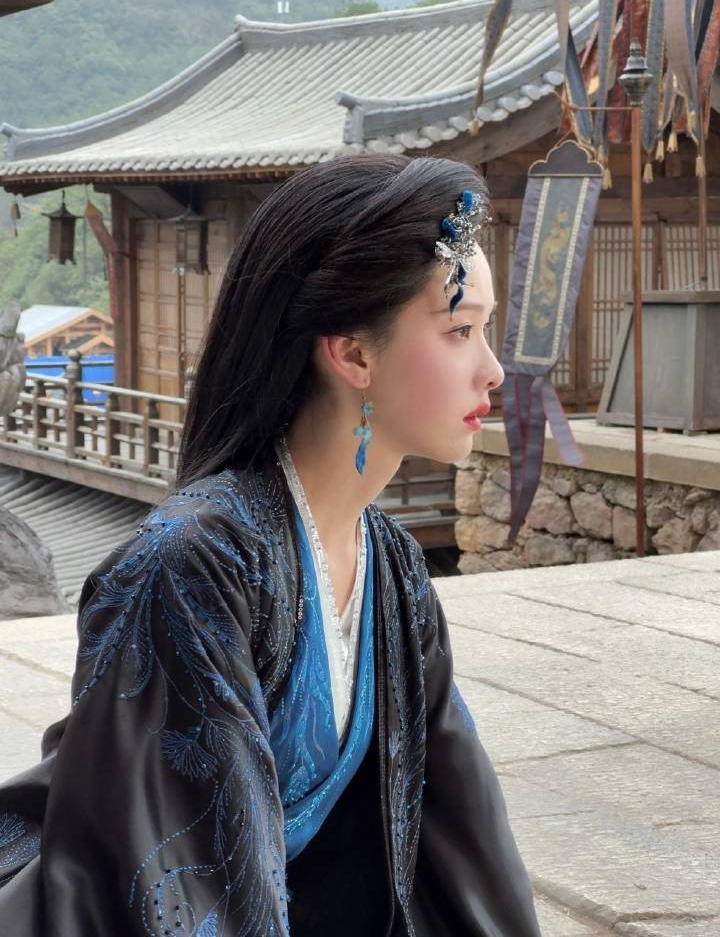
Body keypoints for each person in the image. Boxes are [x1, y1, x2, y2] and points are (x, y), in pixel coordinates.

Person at [0, 154, 542, 936]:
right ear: (352, 352)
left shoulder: (390, 567)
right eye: (459, 330)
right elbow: (183, 893)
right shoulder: (192, 566)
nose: (491, 369)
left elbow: (464, 836)